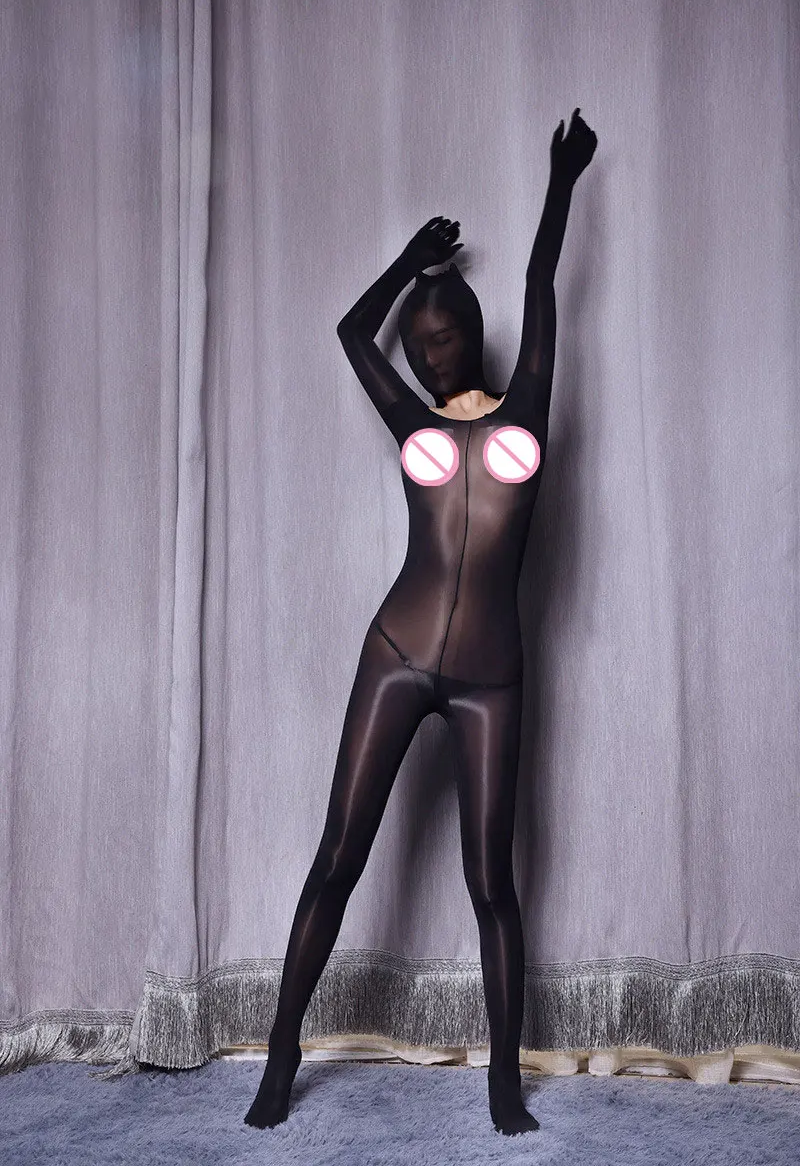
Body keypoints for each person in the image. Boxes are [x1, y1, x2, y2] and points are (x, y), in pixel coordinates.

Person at [245, 108, 598, 1135]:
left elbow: (540, 284)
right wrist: (406, 262)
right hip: (396, 652)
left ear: (472, 334)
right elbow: (350, 334)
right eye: (419, 346)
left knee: (492, 880)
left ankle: (502, 1083)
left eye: (442, 339)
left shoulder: (527, 404)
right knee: (338, 855)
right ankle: (280, 1054)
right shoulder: (409, 417)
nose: (431, 357)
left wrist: (561, 184)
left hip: (491, 673)